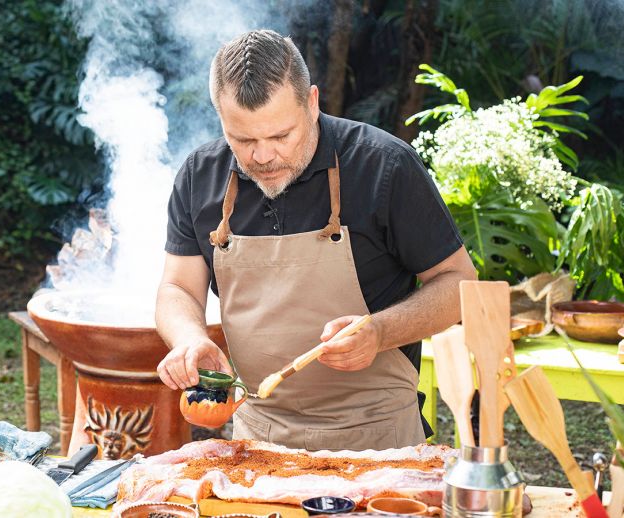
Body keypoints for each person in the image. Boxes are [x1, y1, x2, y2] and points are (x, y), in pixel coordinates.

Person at [155, 29, 477, 451]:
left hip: (379, 439)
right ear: (221, 118)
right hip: (259, 441)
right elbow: (177, 287)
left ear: (311, 102)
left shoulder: (383, 165)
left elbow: (460, 285)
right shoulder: (201, 175)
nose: (263, 156)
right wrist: (190, 338)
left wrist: (379, 332)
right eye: (244, 140)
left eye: (281, 136)